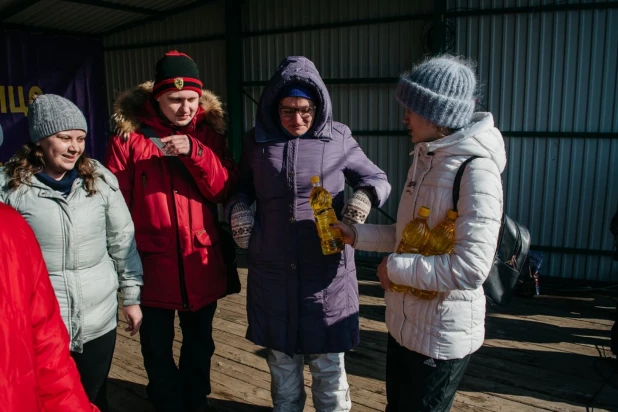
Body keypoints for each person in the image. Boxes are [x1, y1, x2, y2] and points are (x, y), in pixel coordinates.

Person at [335, 55, 506, 411]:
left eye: (411, 108)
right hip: (407, 327)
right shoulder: (426, 157)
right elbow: (407, 234)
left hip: (441, 336)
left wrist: (395, 269)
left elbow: (471, 268)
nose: (404, 118)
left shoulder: (476, 172)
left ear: (436, 114)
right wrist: (355, 235)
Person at [225, 56, 391, 412]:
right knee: (282, 370)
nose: (297, 119)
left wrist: (362, 198)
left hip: (325, 274)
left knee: (329, 370)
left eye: (305, 110)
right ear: (273, 106)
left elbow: (376, 178)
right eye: (287, 110)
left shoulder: (339, 136)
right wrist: (239, 213)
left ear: (318, 106)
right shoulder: (256, 142)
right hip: (272, 273)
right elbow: (240, 187)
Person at [105, 50, 239, 412]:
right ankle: (164, 401)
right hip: (151, 265)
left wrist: (196, 152)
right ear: (157, 99)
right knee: (155, 345)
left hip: (201, 260)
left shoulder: (209, 135)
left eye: (192, 100)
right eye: (175, 100)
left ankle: (196, 400)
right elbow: (114, 207)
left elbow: (223, 190)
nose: (185, 108)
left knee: (200, 343)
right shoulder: (128, 141)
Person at [0, 94, 143, 412]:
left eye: (80, 138)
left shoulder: (101, 180)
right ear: (40, 140)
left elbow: (123, 242)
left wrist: (131, 298)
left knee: (93, 397)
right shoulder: (9, 189)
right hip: (43, 328)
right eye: (64, 138)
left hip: (98, 320)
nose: (74, 147)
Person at [0, 204, 99, 412]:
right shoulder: (15, 196)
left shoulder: (11, 226)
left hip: (96, 313)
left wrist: (130, 290)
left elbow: (50, 356)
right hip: (61, 303)